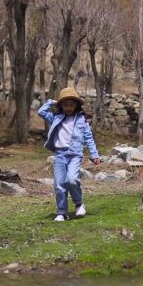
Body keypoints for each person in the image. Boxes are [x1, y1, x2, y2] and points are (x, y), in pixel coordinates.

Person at [38, 87, 100, 221]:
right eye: (65, 105)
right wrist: (51, 102)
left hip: (75, 155)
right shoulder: (56, 118)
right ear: (61, 106)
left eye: (71, 105)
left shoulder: (81, 120)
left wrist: (94, 155)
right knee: (60, 184)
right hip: (60, 155)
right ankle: (62, 212)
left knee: (72, 180)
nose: (69, 108)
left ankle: (79, 204)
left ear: (76, 105)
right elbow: (41, 112)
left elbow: (89, 138)